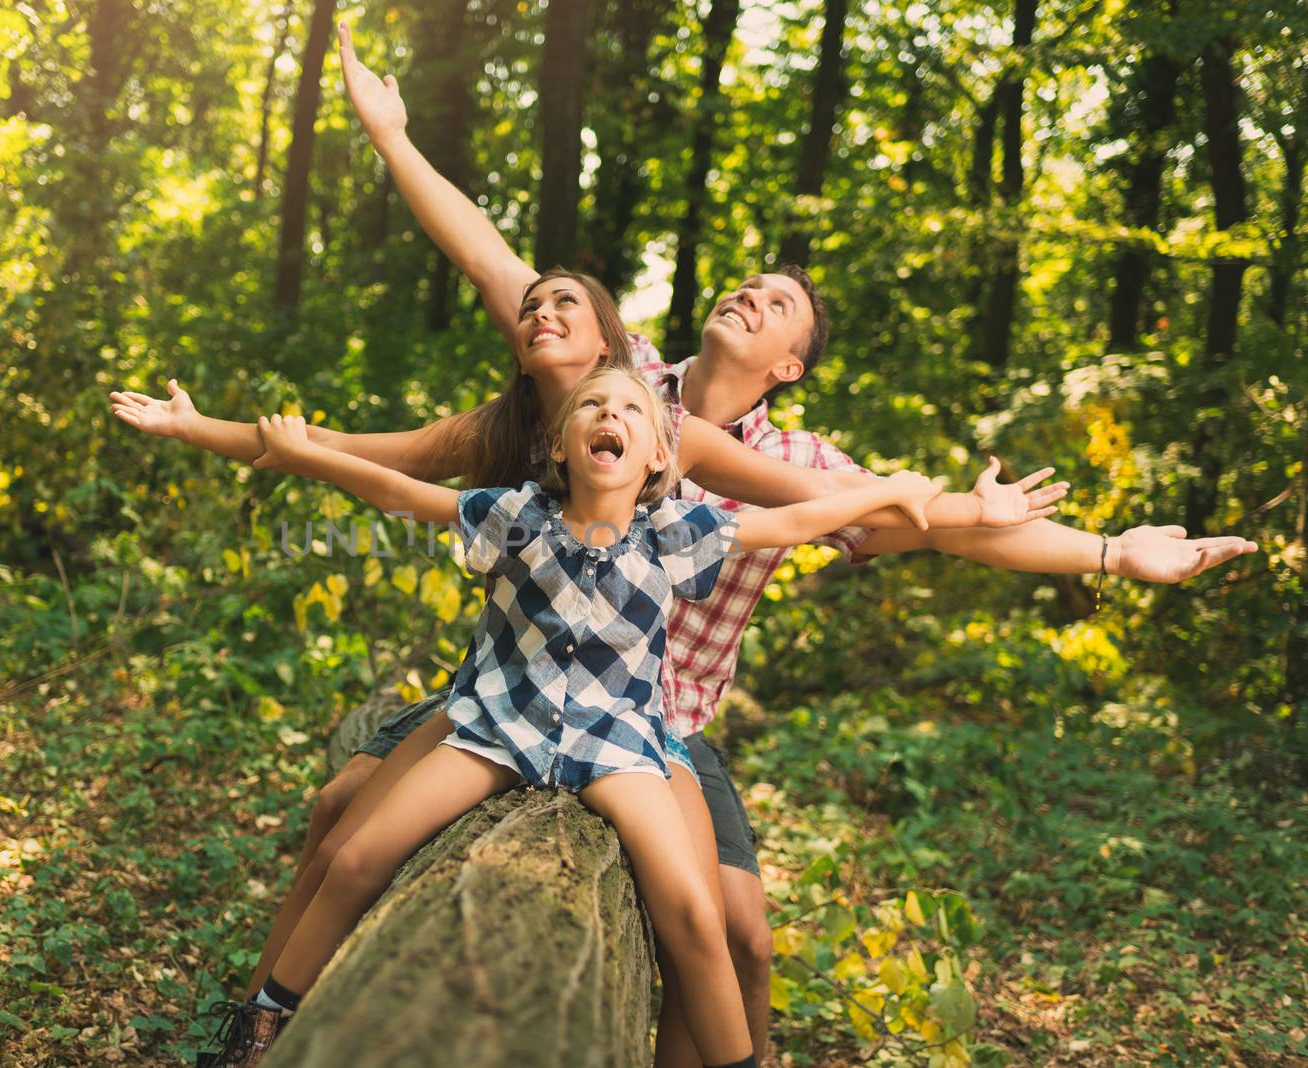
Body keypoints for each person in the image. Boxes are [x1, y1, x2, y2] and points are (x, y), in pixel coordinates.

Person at [229, 25, 1260, 1068]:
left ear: (791, 365)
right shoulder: (621, 386)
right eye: (748, 284)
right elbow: (488, 259)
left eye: (776, 305)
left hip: (657, 719)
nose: (749, 297)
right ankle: (262, 1021)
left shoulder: (795, 456)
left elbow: (916, 518)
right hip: (529, 681)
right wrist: (394, 137)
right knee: (347, 816)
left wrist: (1105, 554)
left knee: (737, 937)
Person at [207, 366, 946, 1068]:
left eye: (630, 410)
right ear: (560, 444)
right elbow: (398, 491)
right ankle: (265, 1021)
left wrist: (892, 492)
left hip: (615, 745)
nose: (609, 416)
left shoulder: (674, 532)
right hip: (500, 728)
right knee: (359, 856)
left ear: (658, 455)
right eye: (592, 407)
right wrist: (305, 452)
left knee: (693, 912)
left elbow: (797, 518)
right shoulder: (515, 515)